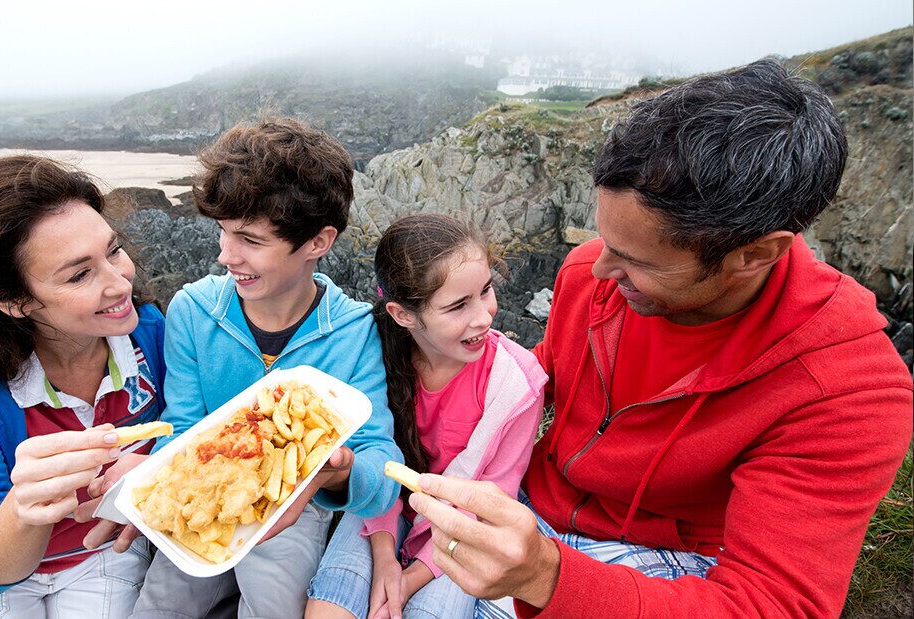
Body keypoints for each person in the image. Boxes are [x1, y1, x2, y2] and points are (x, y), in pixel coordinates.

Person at [408, 59, 914, 617]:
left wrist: (547, 576)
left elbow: (773, 605)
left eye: (633, 259)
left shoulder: (847, 392)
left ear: (755, 254)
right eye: (603, 240)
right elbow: (536, 375)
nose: (597, 271)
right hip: (532, 503)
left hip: (671, 562)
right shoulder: (588, 276)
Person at [125, 117, 402, 619]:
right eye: (224, 232)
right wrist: (153, 480)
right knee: (163, 602)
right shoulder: (191, 310)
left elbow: (379, 465)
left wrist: (336, 475)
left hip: (299, 504)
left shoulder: (355, 330)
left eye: (250, 240)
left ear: (318, 242)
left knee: (275, 600)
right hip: (205, 490)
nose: (226, 255)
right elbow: (182, 428)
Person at [0, 155, 167, 619]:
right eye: (80, 274)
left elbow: (190, 432)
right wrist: (25, 507)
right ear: (14, 300)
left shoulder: (151, 336)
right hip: (1, 575)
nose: (120, 282)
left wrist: (156, 464)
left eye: (114, 249)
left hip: (102, 552)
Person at [305, 214, 547, 619]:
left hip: (466, 530)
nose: (484, 317)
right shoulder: (375, 355)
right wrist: (385, 555)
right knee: (330, 605)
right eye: (457, 306)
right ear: (403, 315)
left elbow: (492, 495)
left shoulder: (515, 384)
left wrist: (411, 578)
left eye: (485, 290)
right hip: (380, 505)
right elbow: (373, 460)